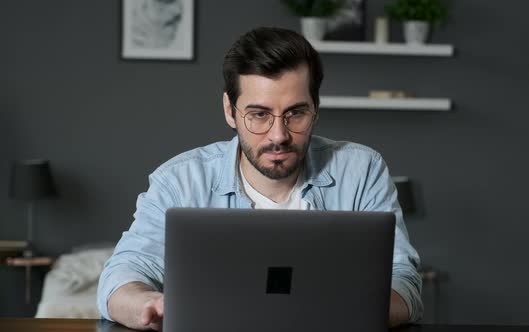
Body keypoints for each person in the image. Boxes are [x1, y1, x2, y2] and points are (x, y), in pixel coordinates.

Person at [97, 26, 423, 331]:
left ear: (316, 108)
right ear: (230, 110)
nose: (278, 135)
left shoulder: (362, 171)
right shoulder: (179, 180)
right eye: (259, 115)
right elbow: (121, 276)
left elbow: (404, 281)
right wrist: (149, 302)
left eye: (296, 112)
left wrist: (349, 311)